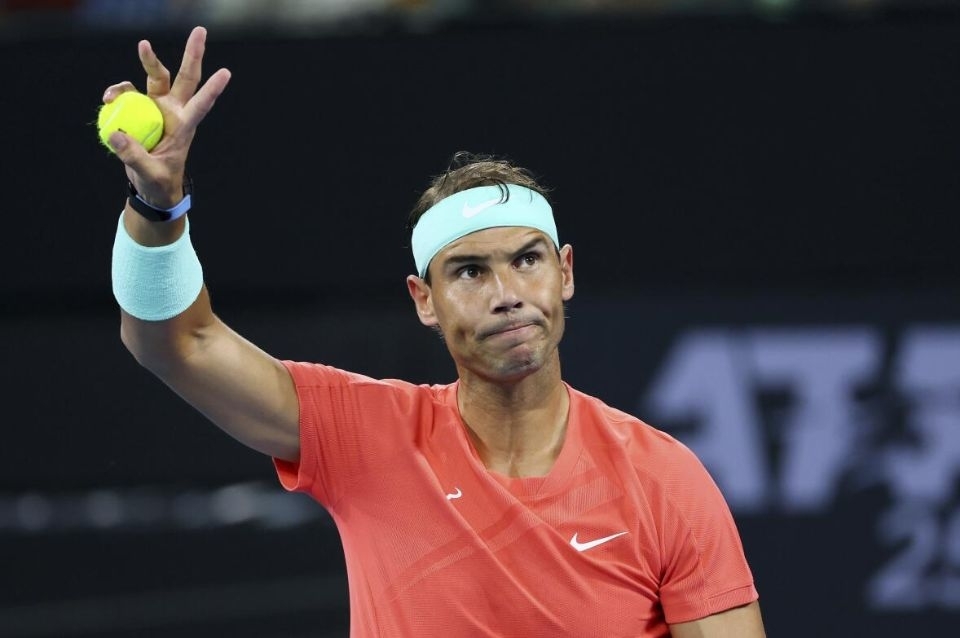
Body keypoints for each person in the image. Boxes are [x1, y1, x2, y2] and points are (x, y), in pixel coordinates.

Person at [105, 26, 766, 637]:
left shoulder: (663, 479)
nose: (507, 295)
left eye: (527, 261)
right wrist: (156, 208)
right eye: (470, 271)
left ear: (564, 272)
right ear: (425, 300)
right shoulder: (365, 436)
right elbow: (177, 343)